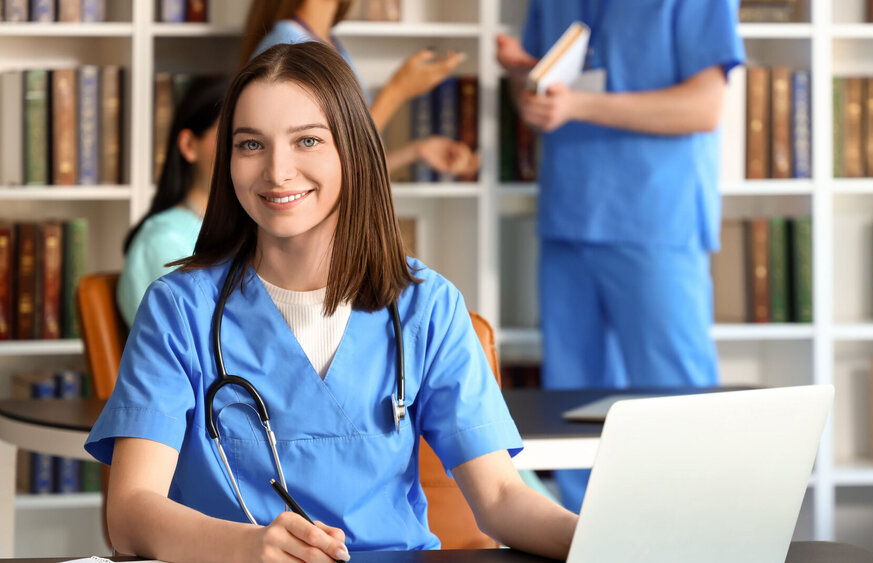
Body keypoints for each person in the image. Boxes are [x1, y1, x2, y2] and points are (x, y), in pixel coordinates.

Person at [84, 42, 577, 561]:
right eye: (251, 145)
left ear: (354, 151)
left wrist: (603, 538)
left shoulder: (427, 306)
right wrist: (250, 547)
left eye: (308, 141)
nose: (277, 171)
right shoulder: (178, 310)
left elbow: (501, 497)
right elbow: (130, 512)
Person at [496, 0, 745, 513]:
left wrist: (578, 106)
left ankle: (699, 534)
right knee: (569, 407)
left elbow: (703, 106)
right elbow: (539, 100)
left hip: (656, 219)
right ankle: (580, 539)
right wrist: (526, 85)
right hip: (569, 215)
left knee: (679, 403)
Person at [241, 0, 479, 179]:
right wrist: (397, 91)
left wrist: (418, 152)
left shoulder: (327, 43)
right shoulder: (288, 45)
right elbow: (337, 162)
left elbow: (345, 168)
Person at [116, 77, 228, 326]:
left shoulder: (249, 231)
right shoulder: (163, 242)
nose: (242, 151)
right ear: (189, 145)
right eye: (229, 135)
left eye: (252, 141)